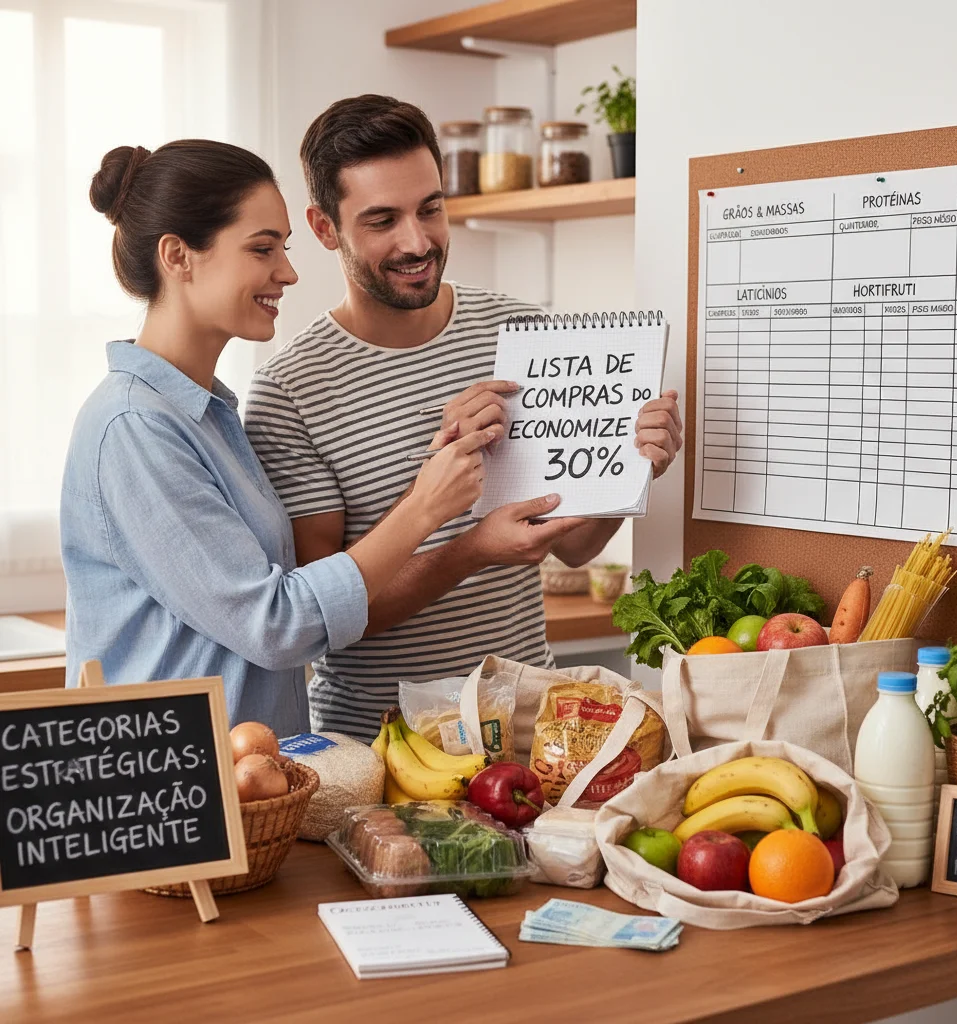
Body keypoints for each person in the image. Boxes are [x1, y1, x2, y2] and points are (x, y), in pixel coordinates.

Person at [245, 95, 682, 743]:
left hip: (533, 726)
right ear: (323, 227)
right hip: (378, 745)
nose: (417, 242)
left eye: (430, 208)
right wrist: (469, 547)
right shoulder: (290, 390)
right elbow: (326, 616)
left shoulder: (523, 332)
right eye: (382, 220)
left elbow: (575, 543)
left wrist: (636, 469)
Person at [60, 138, 494, 735]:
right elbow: (277, 623)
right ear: (178, 256)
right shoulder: (136, 426)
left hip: (252, 783)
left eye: (284, 248)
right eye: (262, 249)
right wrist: (426, 506)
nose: (287, 273)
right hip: (177, 790)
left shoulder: (205, 416)